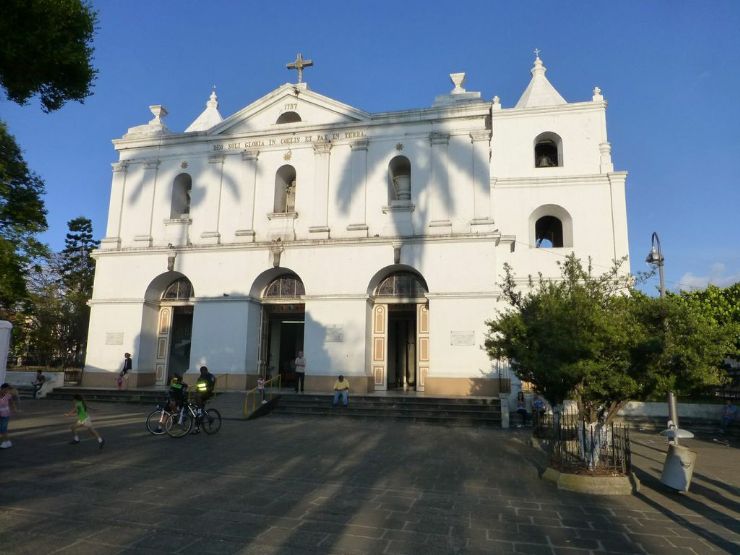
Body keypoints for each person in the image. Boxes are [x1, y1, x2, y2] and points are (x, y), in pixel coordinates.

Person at [0, 383, 19, 449]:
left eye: (7, 390)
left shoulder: (8, 395)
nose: (6, 391)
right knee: (2, 428)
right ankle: (7, 442)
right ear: (1, 388)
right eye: (5, 390)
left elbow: (12, 402)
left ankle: (6, 442)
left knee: (3, 428)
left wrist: (14, 409)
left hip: (5, 414)